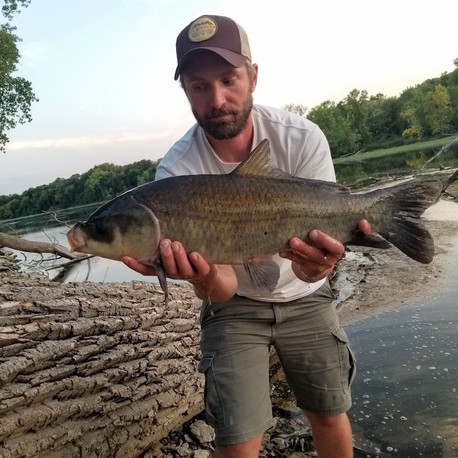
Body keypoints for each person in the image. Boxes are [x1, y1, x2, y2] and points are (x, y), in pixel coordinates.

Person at [123, 14, 371, 458]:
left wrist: (319, 263)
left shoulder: (301, 138)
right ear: (185, 92)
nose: (217, 99)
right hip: (234, 307)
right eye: (199, 86)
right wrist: (200, 278)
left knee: (330, 412)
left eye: (228, 79)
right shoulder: (175, 173)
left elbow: (311, 265)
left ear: (253, 75)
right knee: (235, 439)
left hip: (306, 292)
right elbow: (223, 289)